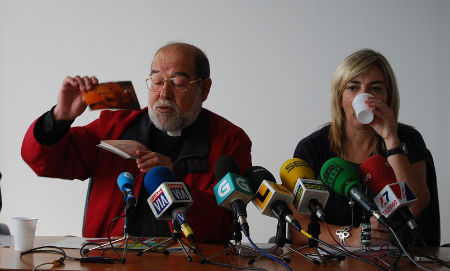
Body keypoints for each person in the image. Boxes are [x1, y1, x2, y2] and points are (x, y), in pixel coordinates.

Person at [21, 42, 252, 243]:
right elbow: (45, 162)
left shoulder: (231, 141)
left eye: (178, 82)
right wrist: (60, 116)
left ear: (205, 88)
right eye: (157, 81)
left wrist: (173, 181)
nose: (164, 93)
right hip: (112, 261)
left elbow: (225, 224)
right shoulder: (114, 127)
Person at [290, 49, 432, 247]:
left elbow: (415, 206)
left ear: (388, 97)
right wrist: (351, 236)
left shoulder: (407, 139)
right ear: (340, 99)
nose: (364, 96)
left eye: (375, 89)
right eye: (353, 88)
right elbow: (299, 230)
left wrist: (391, 139)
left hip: (399, 259)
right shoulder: (312, 148)